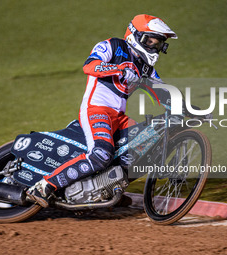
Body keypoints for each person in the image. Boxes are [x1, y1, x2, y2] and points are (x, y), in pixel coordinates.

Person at [27, 14, 178, 207]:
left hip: (119, 117)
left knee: (144, 149)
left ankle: (106, 189)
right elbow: (89, 66)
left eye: (157, 43)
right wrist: (119, 69)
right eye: (149, 40)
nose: (153, 47)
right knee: (101, 154)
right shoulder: (113, 45)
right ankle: (44, 186)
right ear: (135, 35)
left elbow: (163, 93)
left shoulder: (146, 67)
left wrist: (188, 109)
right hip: (96, 109)